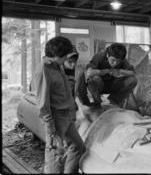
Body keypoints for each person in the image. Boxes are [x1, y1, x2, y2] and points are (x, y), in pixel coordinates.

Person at [31, 36, 86, 173]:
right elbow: (43, 105)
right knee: (56, 154)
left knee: (78, 146)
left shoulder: (57, 66)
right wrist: (51, 129)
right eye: (64, 56)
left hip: (66, 116)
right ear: (56, 55)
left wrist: (72, 112)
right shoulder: (44, 70)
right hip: (56, 119)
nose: (66, 60)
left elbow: (66, 93)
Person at [82, 43, 137, 108]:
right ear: (108, 55)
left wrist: (120, 71)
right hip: (99, 86)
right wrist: (106, 71)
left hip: (112, 85)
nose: (115, 63)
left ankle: (113, 100)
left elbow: (133, 72)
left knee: (133, 80)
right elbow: (89, 73)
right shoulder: (99, 56)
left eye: (118, 61)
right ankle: (97, 102)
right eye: (113, 60)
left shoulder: (122, 58)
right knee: (94, 79)